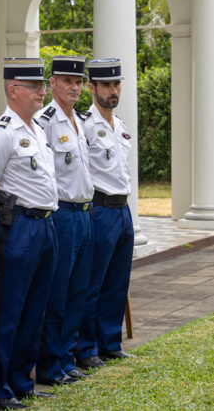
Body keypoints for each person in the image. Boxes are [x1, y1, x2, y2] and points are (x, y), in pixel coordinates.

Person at [0, 58, 58, 410]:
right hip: (18, 226)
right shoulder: (3, 132)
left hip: (45, 224)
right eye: (35, 86)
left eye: (42, 85)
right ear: (13, 90)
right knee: (9, 308)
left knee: (34, 308)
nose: (42, 91)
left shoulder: (38, 129)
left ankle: (21, 380)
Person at [35, 56, 94, 386]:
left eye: (79, 81)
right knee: (57, 294)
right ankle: (50, 365)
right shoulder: (46, 121)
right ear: (53, 83)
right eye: (67, 81)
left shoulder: (79, 121)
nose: (74, 87)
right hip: (62, 214)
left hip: (84, 213)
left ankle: (68, 358)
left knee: (77, 291)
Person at [77, 58, 136, 369]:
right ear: (92, 87)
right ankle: (86, 349)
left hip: (122, 210)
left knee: (117, 281)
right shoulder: (85, 124)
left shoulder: (120, 125)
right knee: (93, 282)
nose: (113, 91)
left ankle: (110, 344)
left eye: (116, 84)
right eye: (106, 85)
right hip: (99, 210)